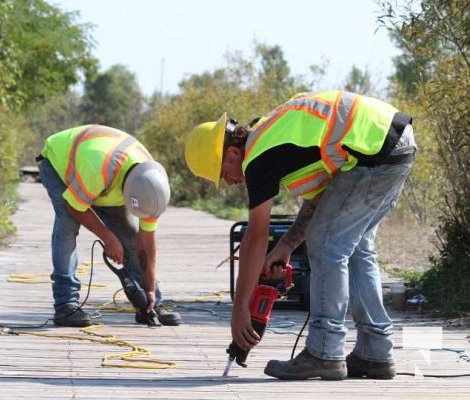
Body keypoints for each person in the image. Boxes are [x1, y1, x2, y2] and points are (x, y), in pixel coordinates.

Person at [185, 90, 416, 380]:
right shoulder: (275, 136)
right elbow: (319, 202)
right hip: (393, 142)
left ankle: (324, 351)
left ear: (233, 153)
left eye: (222, 174)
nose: (228, 183)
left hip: (375, 151)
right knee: (356, 246)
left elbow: (256, 236)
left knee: (327, 243)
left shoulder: (258, 155)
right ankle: (375, 352)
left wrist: (240, 308)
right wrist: (286, 245)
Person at [37, 124, 182, 327]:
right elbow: (75, 208)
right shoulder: (99, 169)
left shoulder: (151, 184)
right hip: (59, 162)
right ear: (128, 192)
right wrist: (108, 237)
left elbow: (146, 242)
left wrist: (149, 287)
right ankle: (65, 305)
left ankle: (149, 304)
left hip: (105, 177)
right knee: (68, 227)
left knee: (130, 236)